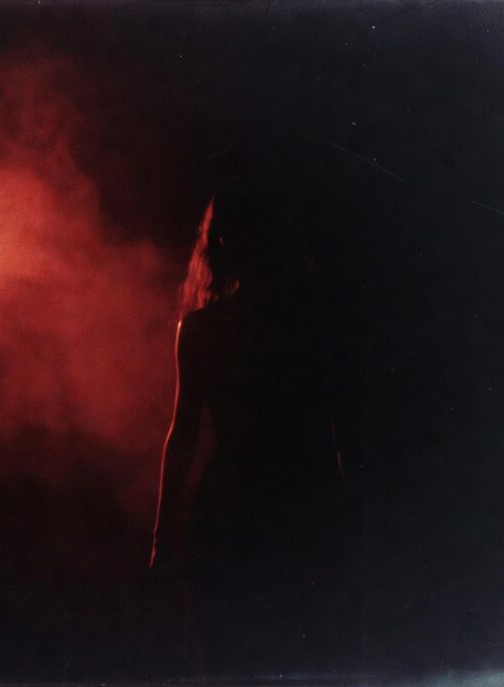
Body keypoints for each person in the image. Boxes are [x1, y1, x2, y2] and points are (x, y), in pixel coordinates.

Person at [150, 180, 353, 677]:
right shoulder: (315, 321)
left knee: (233, 658)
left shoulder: (205, 328)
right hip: (299, 500)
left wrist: (163, 535)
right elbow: (339, 424)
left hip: (241, 504)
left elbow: (184, 435)